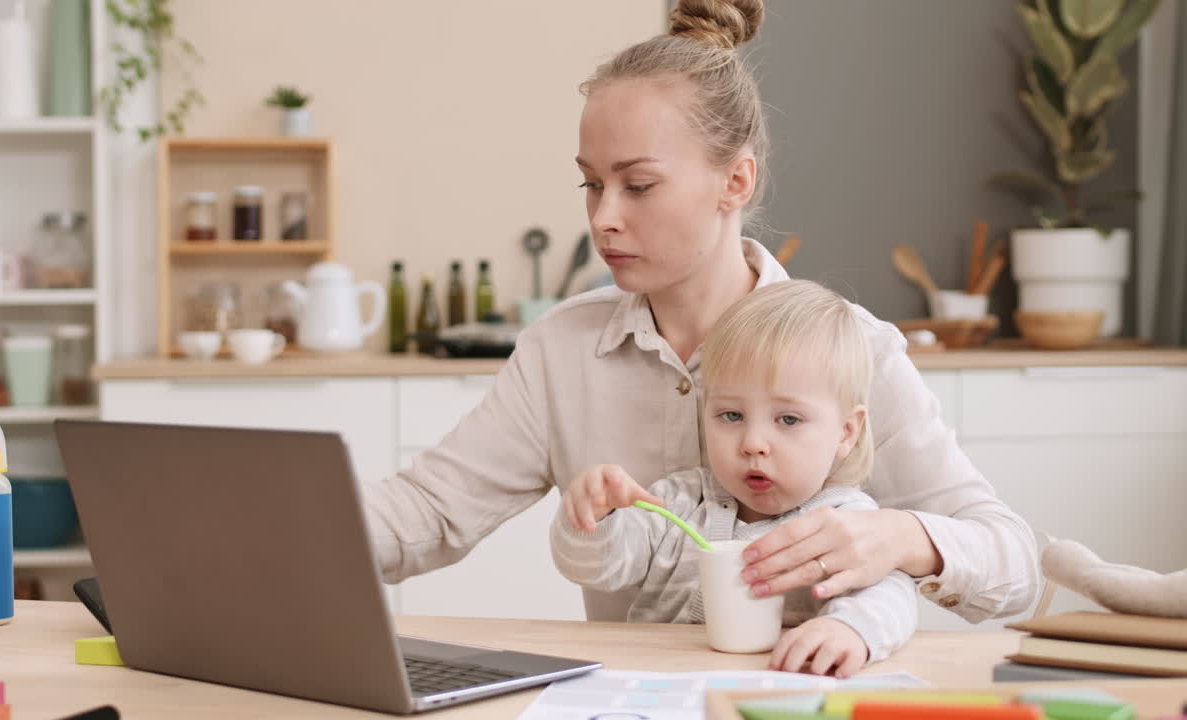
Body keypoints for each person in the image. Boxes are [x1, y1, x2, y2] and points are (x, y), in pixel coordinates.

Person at [366, 0, 1038, 625]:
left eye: (639, 186)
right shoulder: (560, 349)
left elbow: (1014, 565)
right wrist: (276, 534)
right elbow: (429, 512)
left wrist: (899, 537)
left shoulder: (855, 350)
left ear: (735, 181)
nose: (604, 218)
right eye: (592, 185)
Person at [551, 280, 917, 677]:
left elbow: (891, 595)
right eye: (731, 416)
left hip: (780, 690)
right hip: (660, 688)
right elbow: (594, 568)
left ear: (846, 432)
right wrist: (593, 516)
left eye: (788, 419)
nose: (753, 443)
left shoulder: (844, 522)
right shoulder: (678, 501)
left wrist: (848, 629)